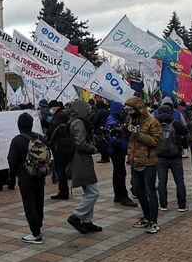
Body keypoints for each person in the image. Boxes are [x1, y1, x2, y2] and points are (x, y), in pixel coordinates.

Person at [124, 96, 163, 235]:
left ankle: (154, 220)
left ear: (139, 109)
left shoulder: (152, 122)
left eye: (131, 109)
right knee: (138, 192)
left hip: (148, 163)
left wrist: (138, 135)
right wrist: (124, 132)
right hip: (135, 162)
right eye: (127, 110)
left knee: (150, 192)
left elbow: (157, 141)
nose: (128, 112)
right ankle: (146, 217)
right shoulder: (131, 121)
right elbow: (130, 141)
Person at [8, 112, 48, 243]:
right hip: (40, 175)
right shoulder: (40, 137)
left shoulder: (17, 140)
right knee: (39, 202)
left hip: (25, 176)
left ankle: (35, 234)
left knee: (29, 204)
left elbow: (12, 160)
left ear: (19, 125)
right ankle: (39, 227)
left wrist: (14, 176)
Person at [66, 100, 103, 234]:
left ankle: (87, 222)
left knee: (88, 192)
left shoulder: (75, 121)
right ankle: (76, 216)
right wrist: (93, 148)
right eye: (87, 109)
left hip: (81, 160)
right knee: (94, 192)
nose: (89, 111)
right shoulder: (78, 123)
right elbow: (80, 143)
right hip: (80, 160)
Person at [155, 104, 189, 212]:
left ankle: (163, 204)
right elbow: (185, 132)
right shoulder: (175, 123)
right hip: (175, 156)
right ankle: (182, 205)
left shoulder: (155, 124)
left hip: (160, 156)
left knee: (161, 181)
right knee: (179, 181)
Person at [104, 101, 136, 207]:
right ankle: (123, 196)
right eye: (123, 110)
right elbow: (116, 140)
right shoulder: (113, 121)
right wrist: (126, 147)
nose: (125, 112)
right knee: (120, 173)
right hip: (116, 151)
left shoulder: (114, 119)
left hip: (115, 151)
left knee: (118, 172)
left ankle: (118, 195)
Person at [49, 104, 73, 200]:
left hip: (61, 148)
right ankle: (63, 191)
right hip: (64, 147)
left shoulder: (60, 116)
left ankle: (63, 192)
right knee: (61, 170)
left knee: (60, 170)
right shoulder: (62, 115)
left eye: (52, 107)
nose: (51, 109)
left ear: (56, 107)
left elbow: (52, 129)